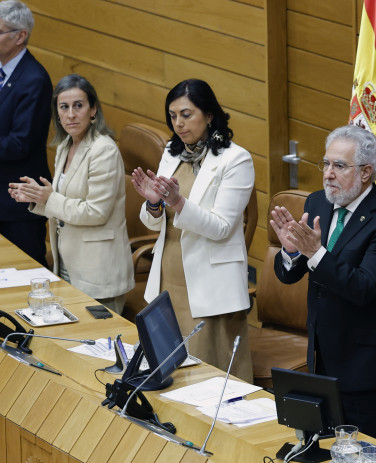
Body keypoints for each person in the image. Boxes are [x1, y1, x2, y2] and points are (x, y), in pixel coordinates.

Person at [271, 125, 376, 448]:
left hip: (372, 372)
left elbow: (363, 287)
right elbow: (289, 275)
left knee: (368, 455)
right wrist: (292, 252)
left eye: (339, 166)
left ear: (366, 173)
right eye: (325, 164)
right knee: (325, 453)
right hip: (324, 360)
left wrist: (315, 253)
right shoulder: (317, 202)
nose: (328, 174)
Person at [131, 79, 254, 383]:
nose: (178, 124)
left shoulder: (236, 159)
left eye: (186, 114)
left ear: (209, 114)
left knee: (207, 378)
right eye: (172, 116)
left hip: (209, 283)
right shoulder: (172, 154)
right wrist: (155, 204)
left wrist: (179, 202)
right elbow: (153, 222)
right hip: (169, 276)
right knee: (167, 369)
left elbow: (222, 228)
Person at [8, 74, 134, 313]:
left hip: (98, 273)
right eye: (63, 107)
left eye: (79, 106)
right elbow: (64, 204)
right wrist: (37, 198)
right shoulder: (65, 146)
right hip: (67, 262)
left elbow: (95, 212)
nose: (71, 114)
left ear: (93, 110)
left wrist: (49, 198)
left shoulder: (103, 150)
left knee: (98, 347)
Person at [0, 0, 52, 266]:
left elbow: (19, 143)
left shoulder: (34, 79)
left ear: (20, 36)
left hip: (17, 205)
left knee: (23, 276)